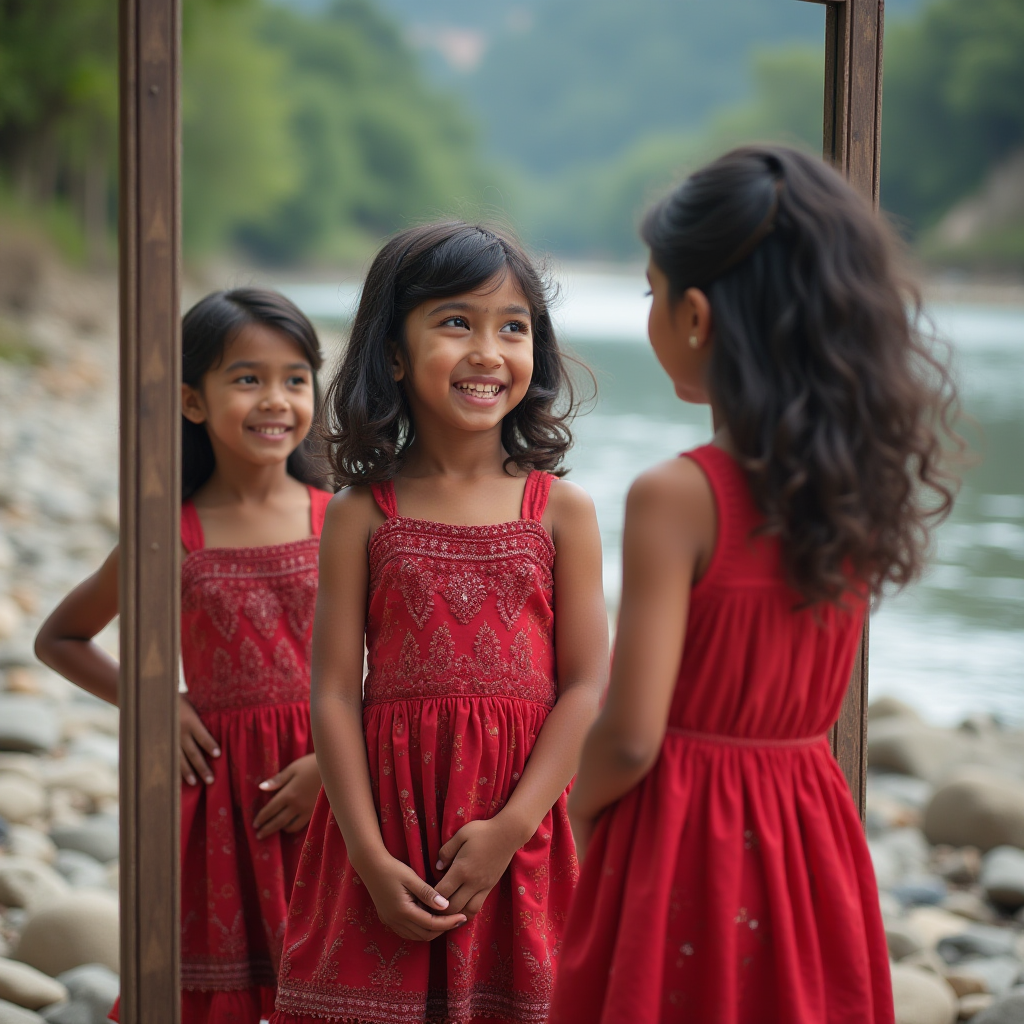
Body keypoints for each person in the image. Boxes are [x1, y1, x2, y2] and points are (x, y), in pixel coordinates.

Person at [548, 146, 960, 1024]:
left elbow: (630, 735)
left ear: (695, 315)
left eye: (651, 292)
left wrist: (572, 813)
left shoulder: (679, 494)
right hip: (806, 832)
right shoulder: (855, 488)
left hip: (683, 840)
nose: (653, 311)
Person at [268, 222, 608, 1024]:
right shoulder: (360, 514)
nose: (488, 350)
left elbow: (587, 684)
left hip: (520, 834)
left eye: (512, 327)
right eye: (457, 322)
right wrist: (367, 855)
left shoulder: (561, 510)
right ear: (393, 354)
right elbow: (332, 694)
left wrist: (511, 829)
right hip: (388, 825)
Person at [35, 288, 333, 1024]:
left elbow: (390, 664)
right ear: (192, 402)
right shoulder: (169, 533)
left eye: (295, 379)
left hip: (330, 780)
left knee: (331, 972)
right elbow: (60, 639)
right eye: (247, 378)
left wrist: (333, 761)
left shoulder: (345, 519)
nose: (276, 400)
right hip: (217, 790)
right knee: (207, 980)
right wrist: (155, 703)